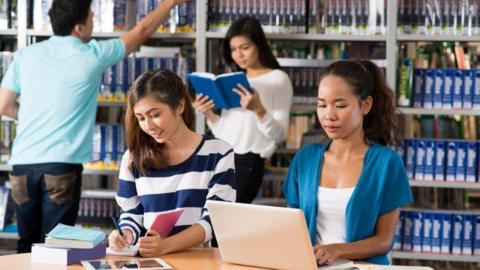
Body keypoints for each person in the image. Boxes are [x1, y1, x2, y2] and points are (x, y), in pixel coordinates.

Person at [0, 0, 188, 253]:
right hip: (60, 165)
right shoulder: (92, 54)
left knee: (27, 243)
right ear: (79, 28)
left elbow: (3, 106)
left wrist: (34, 117)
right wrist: (170, 3)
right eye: (90, 17)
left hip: (21, 165)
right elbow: (141, 32)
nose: (92, 22)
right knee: (55, 247)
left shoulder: (25, 55)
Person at [282, 60, 413, 265]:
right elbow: (291, 227)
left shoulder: (387, 163)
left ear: (365, 105)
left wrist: (337, 250)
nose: (329, 115)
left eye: (341, 105)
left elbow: (384, 240)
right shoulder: (305, 159)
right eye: (322, 105)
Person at [108, 69, 235, 256]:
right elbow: (132, 213)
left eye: (155, 114)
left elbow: (215, 220)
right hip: (151, 261)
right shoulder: (133, 157)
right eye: (141, 118)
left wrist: (166, 245)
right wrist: (125, 235)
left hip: (197, 261)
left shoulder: (218, 152)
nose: (148, 126)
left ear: (180, 106)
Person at [195, 16, 293, 203]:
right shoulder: (233, 79)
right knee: (210, 221)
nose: (238, 55)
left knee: (223, 220)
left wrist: (259, 110)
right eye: (233, 49)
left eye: (244, 47)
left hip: (248, 162)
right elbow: (226, 131)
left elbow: (279, 135)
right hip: (220, 157)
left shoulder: (278, 80)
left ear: (259, 45)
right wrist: (208, 114)